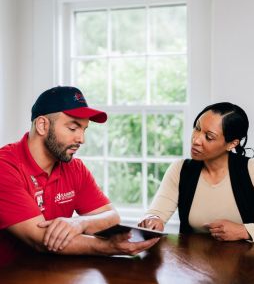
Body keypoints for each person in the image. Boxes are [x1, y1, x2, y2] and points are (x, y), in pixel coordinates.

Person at [0, 86, 159, 264]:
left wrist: (80, 223)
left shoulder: (75, 168)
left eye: (84, 129)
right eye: (73, 128)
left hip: (55, 272)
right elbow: (40, 239)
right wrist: (108, 247)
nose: (81, 139)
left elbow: (111, 216)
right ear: (42, 125)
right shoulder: (5, 167)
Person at [139, 102, 254, 242]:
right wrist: (152, 220)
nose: (196, 140)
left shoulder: (253, 170)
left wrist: (244, 231)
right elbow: (156, 214)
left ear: (232, 144)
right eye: (197, 128)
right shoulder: (180, 169)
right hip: (190, 265)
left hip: (244, 265)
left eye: (209, 137)